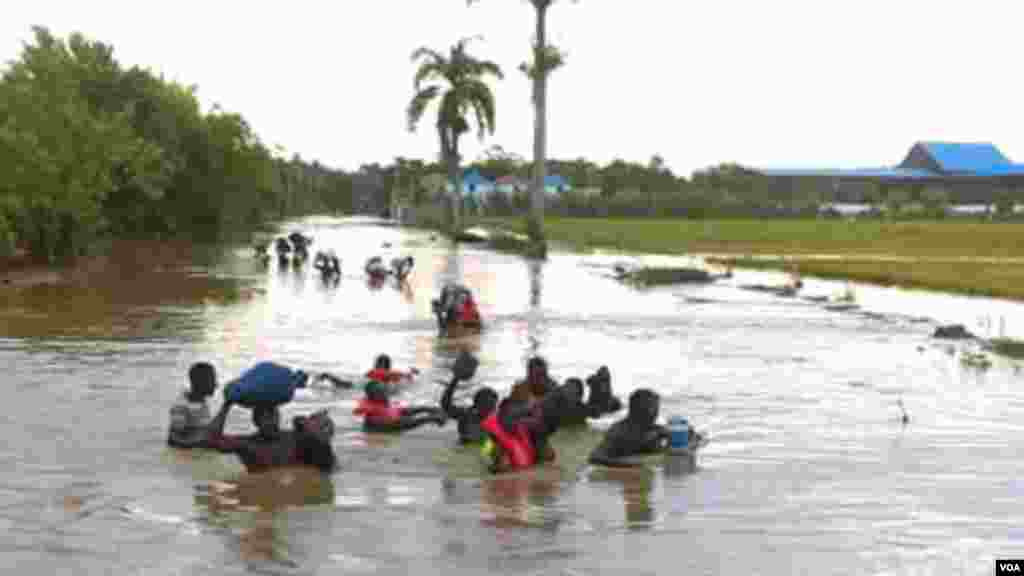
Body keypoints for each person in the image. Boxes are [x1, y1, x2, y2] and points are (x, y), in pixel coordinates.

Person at [204, 401, 338, 473]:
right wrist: (227, 405)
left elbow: (329, 463)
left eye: (273, 414)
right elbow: (211, 440)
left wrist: (314, 426)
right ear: (256, 421)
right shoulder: (246, 444)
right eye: (265, 416)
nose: (271, 421)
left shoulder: (295, 437)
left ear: (279, 416)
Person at [587, 389, 702, 467]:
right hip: (629, 474)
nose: (656, 413)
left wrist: (688, 434)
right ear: (637, 409)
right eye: (653, 408)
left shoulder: (655, 429)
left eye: (656, 408)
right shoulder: (618, 431)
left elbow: (697, 439)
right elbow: (594, 457)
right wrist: (631, 465)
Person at [354, 380, 446, 433]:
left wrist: (427, 409)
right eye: (380, 391)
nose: (385, 393)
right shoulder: (370, 407)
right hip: (387, 426)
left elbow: (405, 411)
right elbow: (399, 424)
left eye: (385, 390)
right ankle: (431, 416)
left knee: (407, 410)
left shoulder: (385, 404)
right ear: (372, 396)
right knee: (404, 418)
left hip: (395, 419)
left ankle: (430, 411)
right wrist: (428, 419)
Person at [167, 362, 218, 448]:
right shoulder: (181, 406)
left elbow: (202, 430)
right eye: (212, 380)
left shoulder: (202, 402)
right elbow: (173, 440)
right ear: (201, 382)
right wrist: (201, 444)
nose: (216, 385)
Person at [440, 373, 498, 445]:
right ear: (476, 404)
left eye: (492, 405)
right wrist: (455, 379)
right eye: (486, 404)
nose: (489, 409)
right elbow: (446, 405)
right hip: (463, 450)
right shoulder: (466, 415)